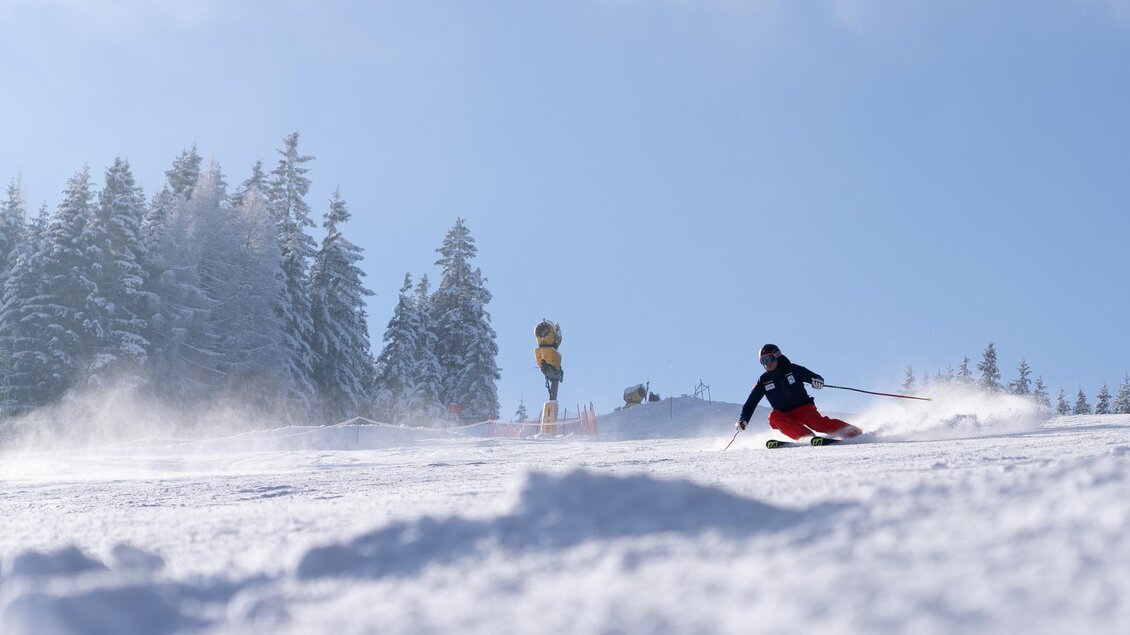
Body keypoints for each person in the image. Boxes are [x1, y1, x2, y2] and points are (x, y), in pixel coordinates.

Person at [736, 344, 863, 440]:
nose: (767, 364)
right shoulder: (763, 381)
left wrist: (817, 381)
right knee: (773, 417)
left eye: (769, 359)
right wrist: (744, 419)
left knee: (817, 424)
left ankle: (854, 432)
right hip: (784, 413)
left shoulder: (793, 369)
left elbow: (814, 377)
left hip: (804, 408)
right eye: (763, 361)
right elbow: (750, 403)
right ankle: (807, 437)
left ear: (777, 356)